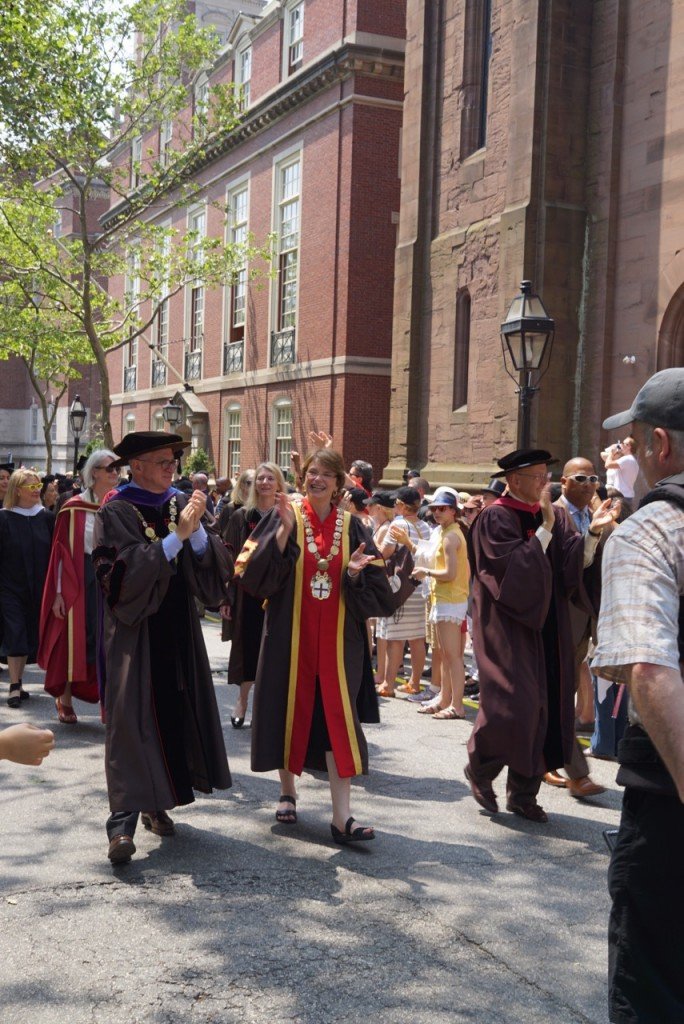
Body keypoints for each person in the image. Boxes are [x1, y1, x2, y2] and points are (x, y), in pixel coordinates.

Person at [234, 448, 394, 843]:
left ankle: (343, 818)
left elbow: (376, 592)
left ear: (339, 483)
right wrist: (284, 534)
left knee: (338, 722)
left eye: (325, 473)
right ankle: (287, 792)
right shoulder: (282, 514)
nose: (316, 479)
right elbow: (248, 573)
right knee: (287, 710)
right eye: (310, 472)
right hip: (290, 638)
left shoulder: (353, 527)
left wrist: (357, 574)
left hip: (340, 645)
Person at [591, 368, 684, 1024]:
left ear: (660, 445)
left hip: (669, 813)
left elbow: (650, 671)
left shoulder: (648, 532)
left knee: (653, 994)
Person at [92, 431, 232, 865]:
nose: (171, 467)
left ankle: (157, 805)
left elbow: (213, 568)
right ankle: (121, 824)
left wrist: (195, 535)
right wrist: (175, 538)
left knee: (171, 711)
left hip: (178, 629)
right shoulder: (117, 508)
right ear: (136, 465)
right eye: (161, 460)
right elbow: (117, 576)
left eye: (173, 460)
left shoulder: (179, 503)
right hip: (136, 631)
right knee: (131, 721)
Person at [463, 449, 619, 822]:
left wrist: (593, 532)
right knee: (511, 705)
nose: (545, 483)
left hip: (549, 625)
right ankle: (480, 771)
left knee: (547, 706)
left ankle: (523, 793)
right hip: (507, 626)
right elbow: (511, 574)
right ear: (514, 480)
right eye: (537, 477)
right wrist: (545, 530)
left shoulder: (556, 515)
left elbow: (570, 567)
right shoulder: (495, 517)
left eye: (546, 476)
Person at [542, 458, 613, 798]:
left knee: (553, 692)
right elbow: (566, 566)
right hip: (559, 615)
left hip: (584, 616)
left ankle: (533, 759)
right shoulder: (555, 513)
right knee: (557, 691)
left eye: (593, 478)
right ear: (564, 481)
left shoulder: (595, 515)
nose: (588, 484)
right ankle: (577, 774)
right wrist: (595, 532)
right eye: (581, 478)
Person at [38, 449, 119, 724]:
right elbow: (60, 554)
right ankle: (66, 699)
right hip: (79, 578)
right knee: (75, 639)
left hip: (110, 579)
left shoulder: (120, 506)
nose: (115, 474)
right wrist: (58, 593)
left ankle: (108, 704)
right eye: (110, 469)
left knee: (108, 640)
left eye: (117, 469)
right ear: (94, 472)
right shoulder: (73, 507)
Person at [221, 462, 286, 728]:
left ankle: (270, 707)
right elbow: (229, 558)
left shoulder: (287, 516)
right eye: (260, 478)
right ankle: (243, 700)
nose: (264, 483)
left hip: (279, 591)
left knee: (276, 649)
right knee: (248, 648)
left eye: (270, 478)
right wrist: (226, 596)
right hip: (248, 593)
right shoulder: (242, 517)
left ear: (279, 484)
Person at [409, 488, 469, 719]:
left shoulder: (452, 536)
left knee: (452, 656)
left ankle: (457, 705)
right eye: (434, 508)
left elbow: (450, 573)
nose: (437, 512)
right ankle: (446, 700)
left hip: (450, 599)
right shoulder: (448, 532)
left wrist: (425, 571)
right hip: (445, 598)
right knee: (445, 654)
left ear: (454, 511)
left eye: (442, 508)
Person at [0, 469, 55, 707]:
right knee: (15, 631)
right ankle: (13, 686)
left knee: (27, 633)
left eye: (38, 486)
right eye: (31, 487)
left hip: (39, 588)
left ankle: (18, 681)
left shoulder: (46, 517)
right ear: (18, 490)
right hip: (9, 587)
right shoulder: (3, 518)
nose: (37, 492)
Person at [374, 486, 431, 697]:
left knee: (395, 638)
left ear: (400, 505)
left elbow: (385, 553)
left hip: (398, 588)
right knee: (417, 638)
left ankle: (388, 685)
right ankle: (414, 683)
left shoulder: (397, 525)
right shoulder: (426, 527)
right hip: (417, 586)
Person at [601, 437, 639, 507]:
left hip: (621, 496)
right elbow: (603, 455)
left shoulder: (627, 459)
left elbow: (607, 465)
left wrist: (612, 454)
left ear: (628, 446)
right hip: (626, 496)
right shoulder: (632, 460)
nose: (621, 445)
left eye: (623, 443)